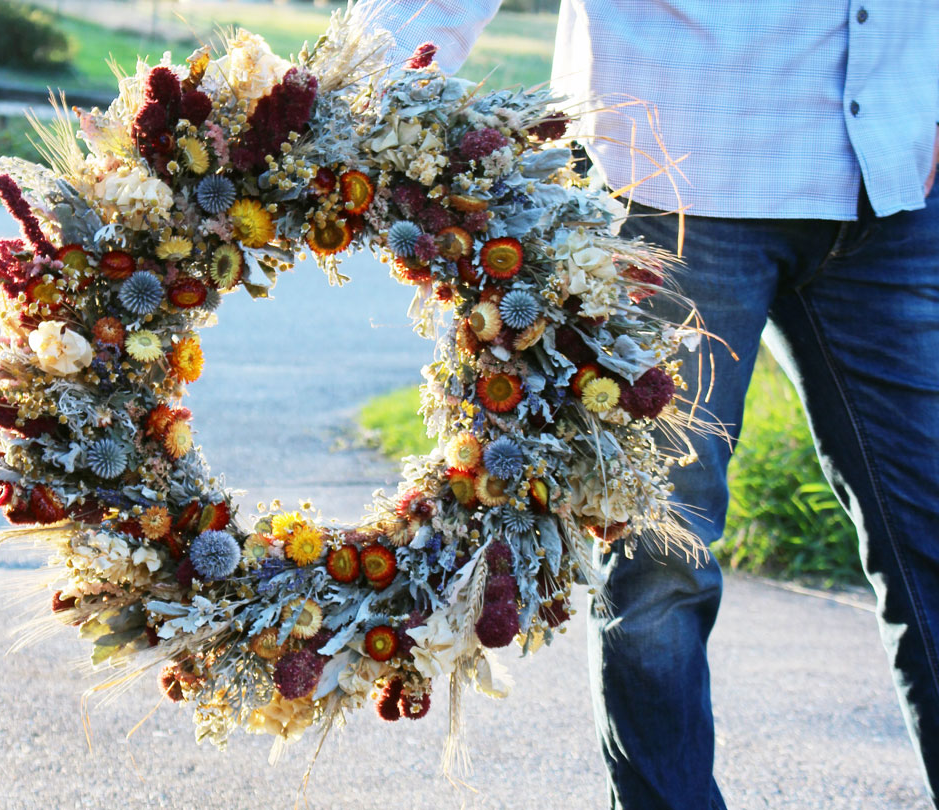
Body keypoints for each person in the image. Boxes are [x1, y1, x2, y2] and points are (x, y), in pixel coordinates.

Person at [352, 1, 939, 807]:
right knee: (660, 556)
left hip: (895, 180)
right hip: (679, 181)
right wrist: (350, 93)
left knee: (932, 534)